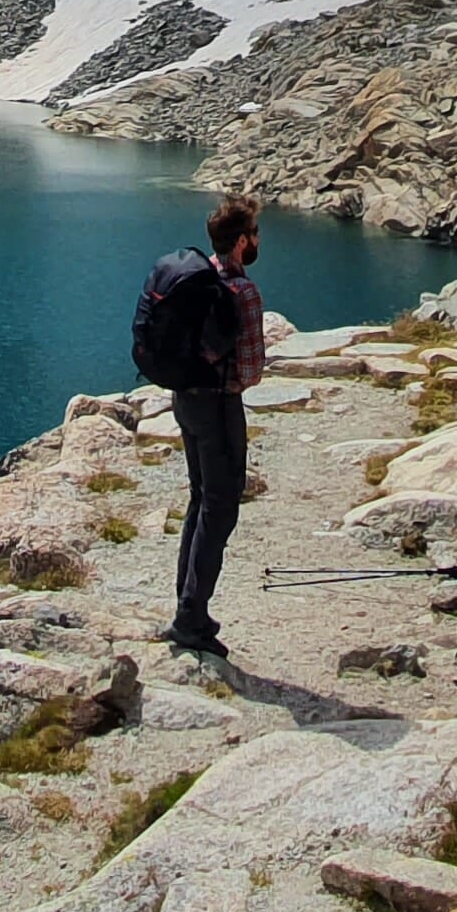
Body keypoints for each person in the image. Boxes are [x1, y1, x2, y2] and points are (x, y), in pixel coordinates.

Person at [132, 193, 270, 657]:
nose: (257, 242)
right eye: (254, 235)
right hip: (219, 406)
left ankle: (188, 602)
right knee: (222, 505)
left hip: (184, 400)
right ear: (240, 243)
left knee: (199, 498)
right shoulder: (242, 292)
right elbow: (250, 371)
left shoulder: (197, 276)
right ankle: (191, 617)